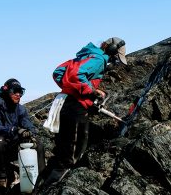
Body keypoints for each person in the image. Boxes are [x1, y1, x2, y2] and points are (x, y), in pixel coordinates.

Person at [39, 37, 127, 187]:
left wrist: (77, 91)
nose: (114, 61)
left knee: (64, 148)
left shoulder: (86, 55)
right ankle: (51, 189)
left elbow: (59, 72)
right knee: (73, 151)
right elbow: (76, 75)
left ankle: (40, 186)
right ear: (111, 50)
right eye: (115, 57)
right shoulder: (99, 59)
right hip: (75, 108)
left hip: (66, 103)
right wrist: (91, 91)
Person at [0, 78, 41, 191]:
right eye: (15, 91)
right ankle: (1, 179)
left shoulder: (20, 109)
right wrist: (14, 130)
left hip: (10, 145)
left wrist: (31, 132)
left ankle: (41, 178)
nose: (19, 95)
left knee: (36, 142)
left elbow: (28, 124)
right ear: (6, 91)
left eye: (21, 92)